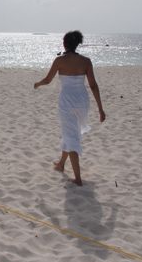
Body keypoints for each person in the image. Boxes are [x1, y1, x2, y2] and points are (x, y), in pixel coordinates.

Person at [34, 30, 106, 186]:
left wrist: (37, 84)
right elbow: (93, 85)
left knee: (71, 135)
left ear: (65, 43)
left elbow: (47, 80)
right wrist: (100, 108)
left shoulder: (60, 60)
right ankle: (61, 164)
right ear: (77, 44)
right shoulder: (86, 61)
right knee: (72, 133)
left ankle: (78, 178)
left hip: (67, 101)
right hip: (82, 100)